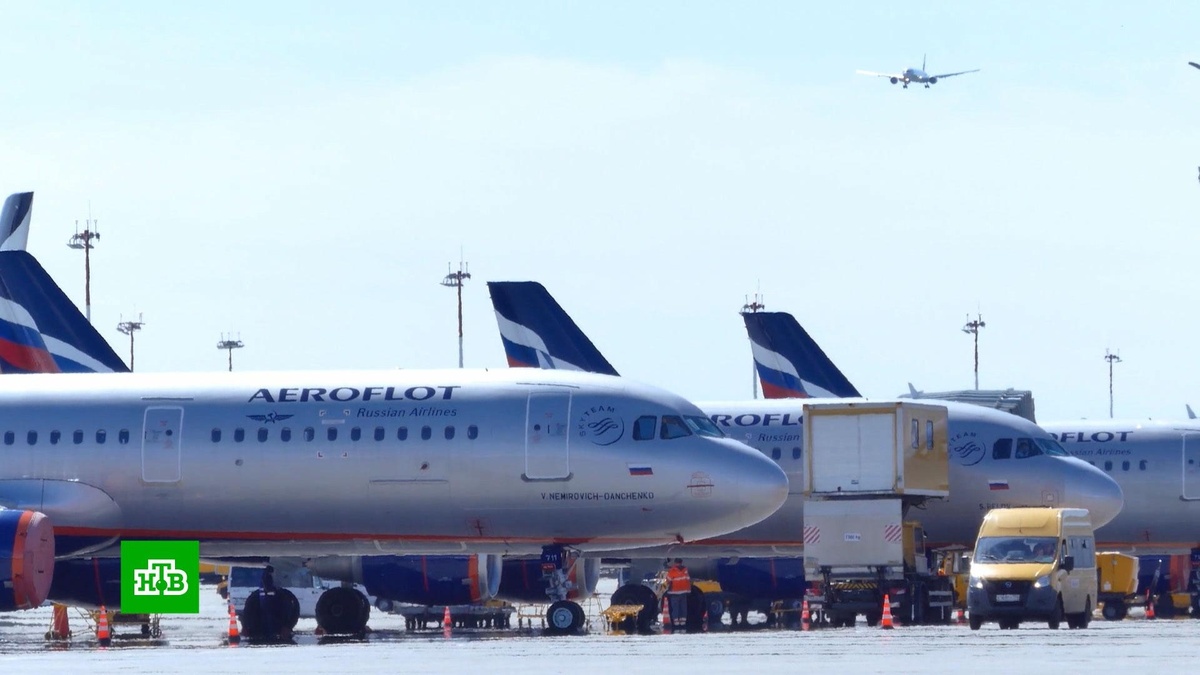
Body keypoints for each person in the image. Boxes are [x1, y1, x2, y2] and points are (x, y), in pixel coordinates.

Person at [665, 558, 691, 630]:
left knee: (675, 608)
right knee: (683, 608)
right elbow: (688, 581)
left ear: (675, 563)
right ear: (681, 562)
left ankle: (676, 624)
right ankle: (683, 623)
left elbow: (668, 581)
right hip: (684, 592)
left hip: (674, 593)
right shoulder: (685, 571)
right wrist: (688, 591)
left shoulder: (672, 571)